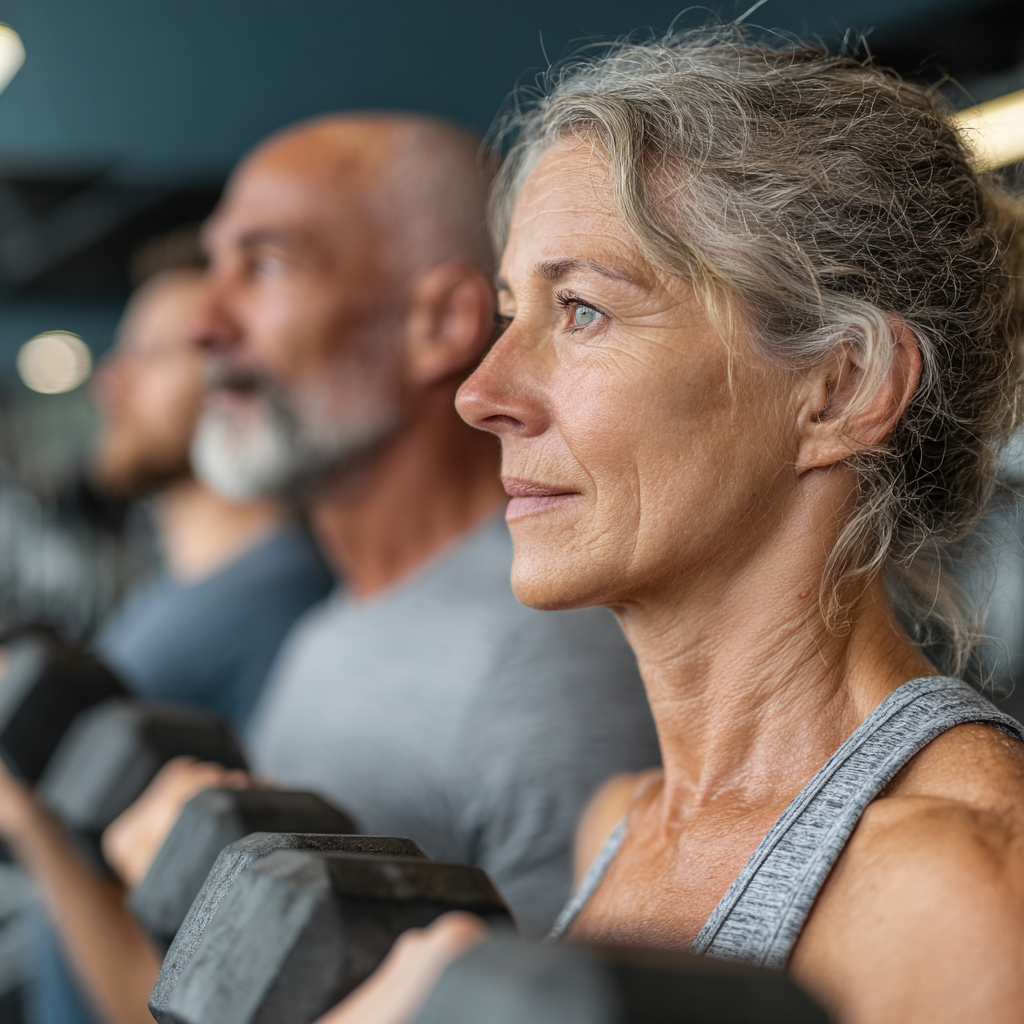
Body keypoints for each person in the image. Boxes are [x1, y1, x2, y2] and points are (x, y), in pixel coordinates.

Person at [314, 30, 1024, 1024]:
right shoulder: (623, 821)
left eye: (582, 311)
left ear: (839, 388)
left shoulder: (957, 890)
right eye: (511, 311)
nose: (481, 391)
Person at [0, 114, 659, 1024]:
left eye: (264, 267)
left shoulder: (545, 666)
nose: (203, 324)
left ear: (440, 323)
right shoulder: (330, 626)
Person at [16, 239, 334, 1024]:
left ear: (230, 368)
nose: (110, 381)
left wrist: (23, 817)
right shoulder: (173, 594)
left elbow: (231, 959)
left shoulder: (281, 599)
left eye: (152, 356)